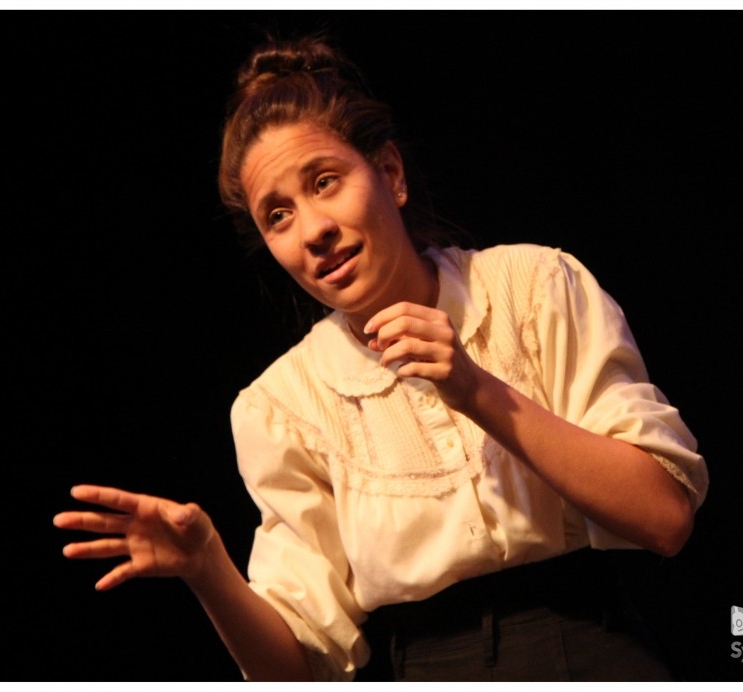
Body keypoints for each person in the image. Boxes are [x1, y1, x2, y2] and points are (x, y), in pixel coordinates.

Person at [53, 35, 709, 682]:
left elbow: (665, 516)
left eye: (325, 182)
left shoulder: (531, 289)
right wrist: (208, 570)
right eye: (278, 215)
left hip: (591, 651)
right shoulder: (284, 404)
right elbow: (297, 673)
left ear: (390, 174)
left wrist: (475, 387)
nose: (313, 229)